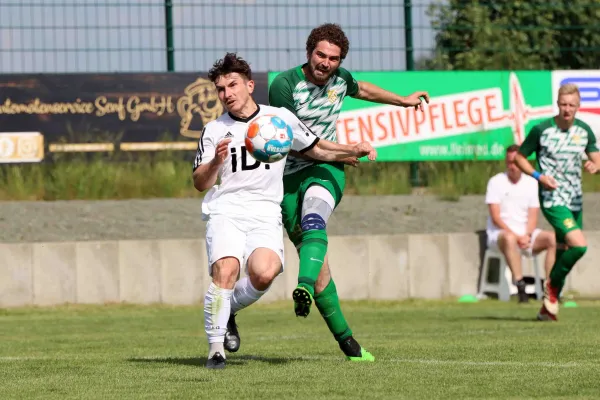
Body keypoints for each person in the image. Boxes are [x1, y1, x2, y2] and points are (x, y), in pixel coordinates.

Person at [193, 52, 376, 369]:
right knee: (226, 270)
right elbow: (199, 181)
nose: (227, 94)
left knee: (265, 272)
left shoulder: (278, 119)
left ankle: (229, 309)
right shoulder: (213, 131)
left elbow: (314, 147)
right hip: (226, 209)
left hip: (265, 211)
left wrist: (348, 150)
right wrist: (216, 162)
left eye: (233, 85)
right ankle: (215, 350)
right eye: (221, 89)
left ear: (249, 85)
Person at [267, 23, 430, 362]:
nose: (326, 63)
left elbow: (363, 89)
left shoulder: (340, 80)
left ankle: (304, 288)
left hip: (327, 172)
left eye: (334, 59)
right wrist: (346, 149)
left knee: (315, 218)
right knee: (319, 264)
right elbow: (296, 146)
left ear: (340, 61)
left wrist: (402, 101)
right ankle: (348, 343)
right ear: (309, 52)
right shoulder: (284, 86)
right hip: (288, 178)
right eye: (321, 55)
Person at [515, 83, 599, 321]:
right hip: (553, 199)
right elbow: (521, 158)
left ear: (578, 106)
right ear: (557, 104)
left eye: (572, 105)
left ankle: (547, 309)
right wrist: (538, 177)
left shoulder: (584, 131)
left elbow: (597, 158)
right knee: (580, 245)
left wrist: (595, 166)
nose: (567, 109)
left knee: (564, 249)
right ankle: (552, 287)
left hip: (575, 199)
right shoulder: (541, 130)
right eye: (563, 104)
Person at [485, 145, 556, 303]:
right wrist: (517, 237)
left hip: (526, 234)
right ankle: (520, 286)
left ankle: (551, 289)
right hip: (500, 236)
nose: (512, 167)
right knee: (509, 238)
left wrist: (527, 235)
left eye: (516, 163)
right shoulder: (496, 182)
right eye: (509, 162)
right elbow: (496, 217)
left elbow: (533, 215)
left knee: (553, 238)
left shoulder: (531, 183)